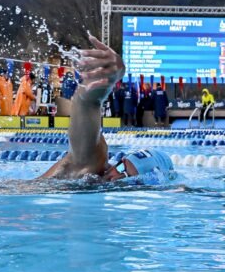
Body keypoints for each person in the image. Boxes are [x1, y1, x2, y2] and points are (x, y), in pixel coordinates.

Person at [39, 35, 173, 183]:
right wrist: (102, 83)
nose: (113, 174)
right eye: (120, 166)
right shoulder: (94, 163)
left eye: (125, 174)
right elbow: (86, 105)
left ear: (140, 182)